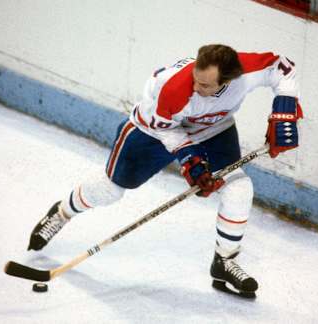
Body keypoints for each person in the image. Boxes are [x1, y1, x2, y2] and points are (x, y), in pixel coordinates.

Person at [27, 44, 303, 298]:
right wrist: (190, 160)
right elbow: (166, 130)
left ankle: (224, 261)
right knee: (110, 190)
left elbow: (283, 67)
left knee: (239, 187)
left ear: (227, 81)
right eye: (195, 77)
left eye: (204, 84)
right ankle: (62, 212)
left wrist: (284, 111)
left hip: (213, 130)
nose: (195, 86)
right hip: (151, 132)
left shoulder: (245, 71)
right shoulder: (170, 88)